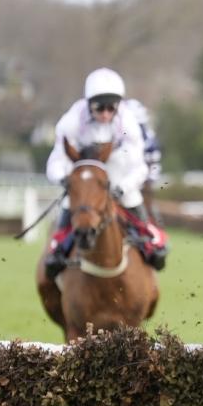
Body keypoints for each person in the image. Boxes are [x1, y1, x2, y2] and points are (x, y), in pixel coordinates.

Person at [43, 68, 168, 279]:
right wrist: (63, 179)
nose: (106, 114)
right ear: (88, 104)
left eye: (112, 108)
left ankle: (150, 244)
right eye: (99, 108)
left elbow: (139, 167)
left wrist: (121, 189)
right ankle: (58, 249)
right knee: (69, 205)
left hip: (118, 175)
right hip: (85, 180)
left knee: (133, 202)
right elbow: (56, 160)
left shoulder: (127, 121)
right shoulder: (71, 121)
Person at [126, 98, 164, 224]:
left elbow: (154, 165)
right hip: (118, 184)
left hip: (141, 187)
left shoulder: (149, 139)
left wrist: (148, 182)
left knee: (152, 217)